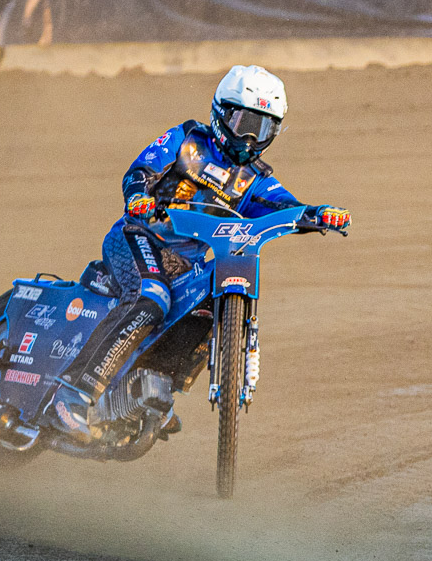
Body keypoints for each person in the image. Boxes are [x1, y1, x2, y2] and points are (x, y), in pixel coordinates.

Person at [45, 65, 351, 441]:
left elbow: (286, 207)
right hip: (138, 236)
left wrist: (319, 214)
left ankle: (152, 387)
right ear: (221, 114)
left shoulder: (256, 178)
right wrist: (139, 197)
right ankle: (71, 395)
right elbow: (140, 171)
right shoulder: (187, 139)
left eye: (263, 128)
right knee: (151, 297)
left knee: (211, 300)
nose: (250, 138)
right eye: (245, 123)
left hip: (184, 265)